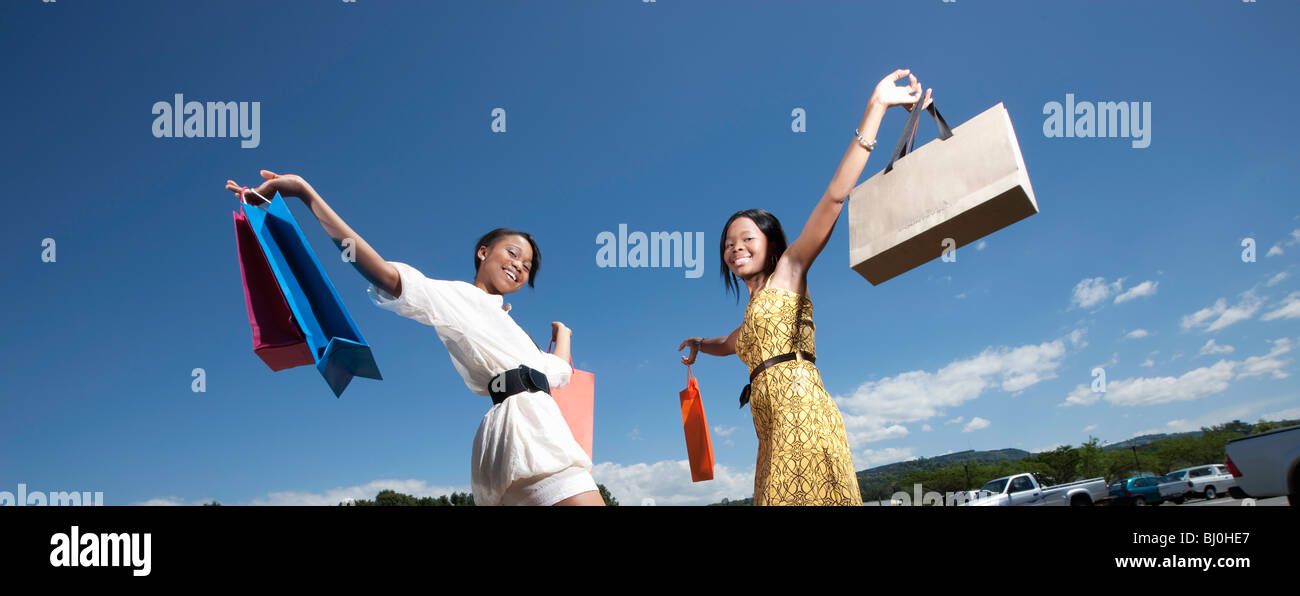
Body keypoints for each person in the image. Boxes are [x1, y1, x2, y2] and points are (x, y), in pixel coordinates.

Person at [225, 171, 603, 506]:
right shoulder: (458, 298)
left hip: (532, 433)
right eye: (513, 253)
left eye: (527, 267)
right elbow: (384, 274)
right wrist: (306, 194)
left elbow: (557, 371)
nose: (519, 266)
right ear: (483, 252)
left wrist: (562, 334)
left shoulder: (509, 328)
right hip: (528, 434)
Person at [677, 70, 933, 506]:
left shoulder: (790, 271)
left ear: (772, 243)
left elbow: (834, 198)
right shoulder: (755, 320)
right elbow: (732, 342)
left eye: (747, 240)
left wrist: (876, 108)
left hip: (803, 414)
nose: (735, 248)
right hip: (771, 426)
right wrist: (700, 343)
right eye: (728, 244)